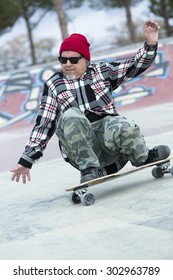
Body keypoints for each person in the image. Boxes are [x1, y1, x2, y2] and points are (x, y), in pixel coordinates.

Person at [11, 20, 170, 184]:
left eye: (73, 60)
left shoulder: (102, 72)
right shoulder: (54, 85)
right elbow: (44, 124)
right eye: (63, 59)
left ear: (85, 60)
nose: (67, 64)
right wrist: (27, 159)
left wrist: (150, 43)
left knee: (120, 124)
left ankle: (142, 156)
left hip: (111, 145)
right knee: (72, 115)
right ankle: (89, 169)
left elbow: (135, 65)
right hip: (80, 151)